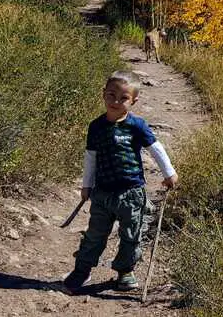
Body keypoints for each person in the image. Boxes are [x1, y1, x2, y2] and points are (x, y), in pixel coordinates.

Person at [62, 71, 178, 293]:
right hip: (102, 193)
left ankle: (125, 271)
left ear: (133, 101)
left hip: (131, 193)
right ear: (103, 95)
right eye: (111, 95)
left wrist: (169, 173)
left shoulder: (137, 125)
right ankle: (82, 269)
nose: (115, 101)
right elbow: (91, 157)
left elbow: (155, 148)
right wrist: (86, 185)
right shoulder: (96, 126)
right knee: (95, 234)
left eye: (123, 98)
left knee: (132, 234)